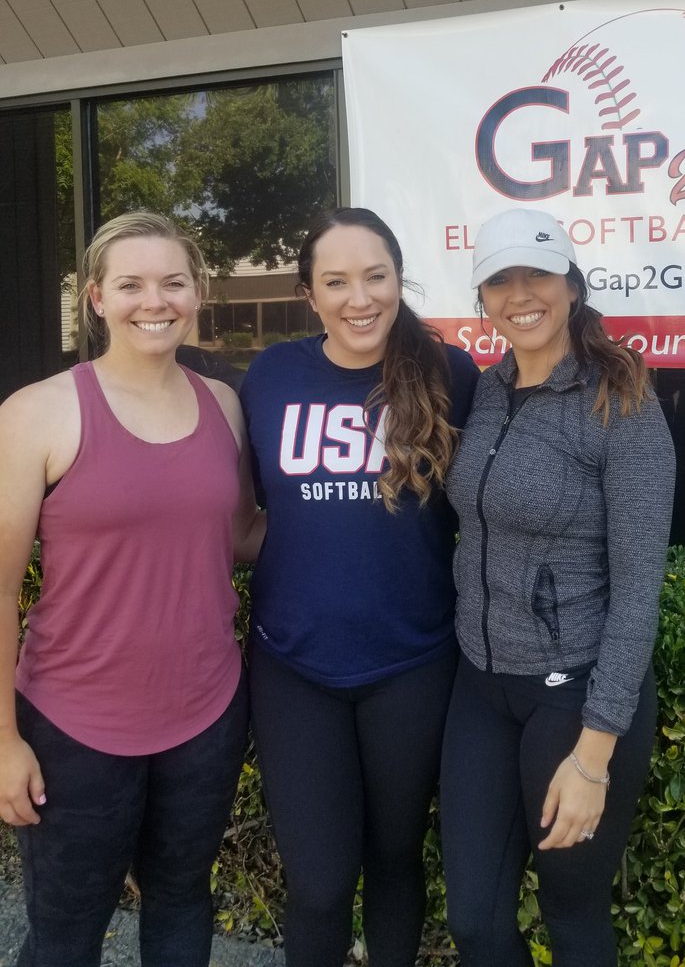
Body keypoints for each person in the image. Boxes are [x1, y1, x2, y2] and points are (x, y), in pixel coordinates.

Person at [0, 212, 263, 967]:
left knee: (182, 902)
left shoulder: (223, 406)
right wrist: (3, 740)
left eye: (173, 282)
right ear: (96, 298)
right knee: (66, 933)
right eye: (132, 284)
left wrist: (359, 526)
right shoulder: (37, 413)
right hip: (73, 725)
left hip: (206, 716)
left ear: (199, 292)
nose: (156, 300)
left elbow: (241, 537)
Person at [240, 207, 480, 967]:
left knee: (395, 860)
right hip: (293, 666)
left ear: (398, 280)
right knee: (316, 883)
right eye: (335, 281)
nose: (359, 298)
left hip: (412, 663)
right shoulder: (272, 376)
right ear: (310, 295)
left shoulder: (451, 374)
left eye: (375, 276)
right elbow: (237, 506)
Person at [441, 208, 676, 967]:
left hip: (574, 699)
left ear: (570, 285)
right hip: (480, 687)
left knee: (571, 914)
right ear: (483, 300)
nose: (520, 295)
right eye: (499, 281)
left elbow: (641, 587)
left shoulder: (621, 400)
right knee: (475, 920)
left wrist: (593, 755)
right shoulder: (485, 390)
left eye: (536, 275)